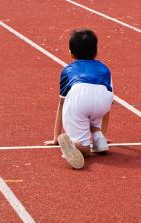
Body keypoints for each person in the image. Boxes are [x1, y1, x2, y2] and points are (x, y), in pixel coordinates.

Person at [44, 29, 114, 169]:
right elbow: (110, 100)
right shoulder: (105, 69)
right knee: (93, 112)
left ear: (71, 53)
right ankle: (99, 140)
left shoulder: (68, 70)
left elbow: (62, 102)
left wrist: (56, 137)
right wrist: (103, 134)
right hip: (103, 103)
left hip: (79, 99)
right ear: (96, 51)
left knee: (85, 149)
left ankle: (77, 146)